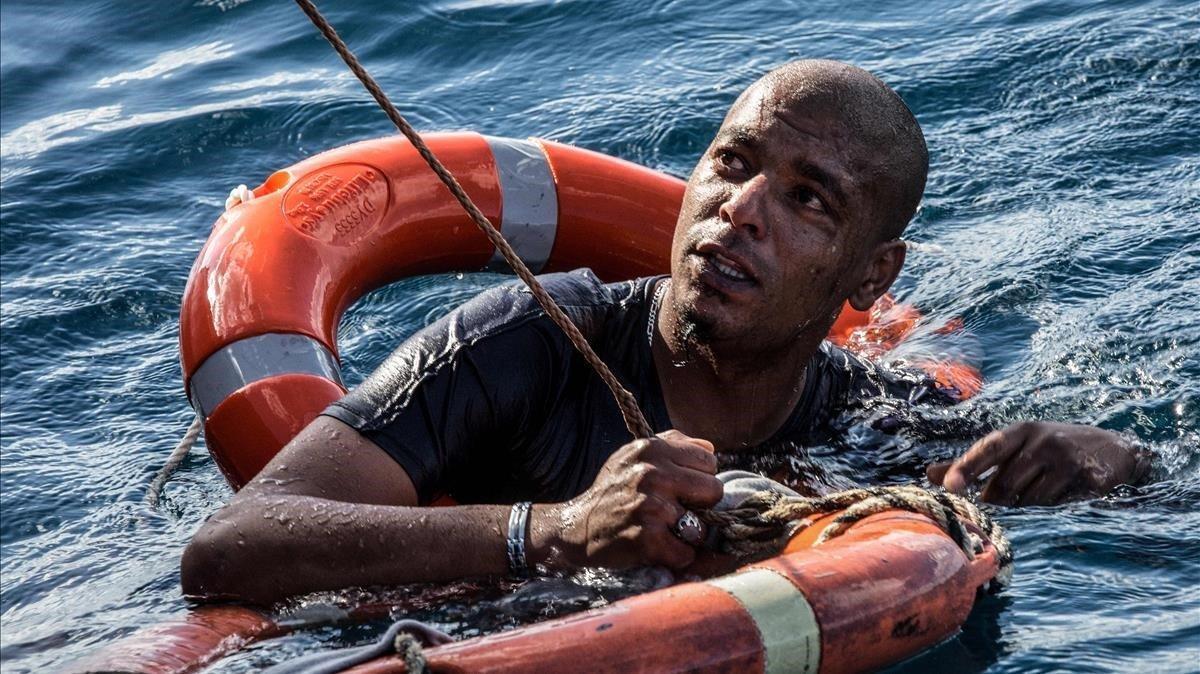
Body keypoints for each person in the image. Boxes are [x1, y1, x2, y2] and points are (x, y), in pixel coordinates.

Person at [181, 60, 1151, 605]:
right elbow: (232, 543)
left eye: (807, 199)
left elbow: (1132, 508)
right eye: (732, 163)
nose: (739, 210)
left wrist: (1117, 459)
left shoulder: (876, 423)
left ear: (871, 273)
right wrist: (553, 529)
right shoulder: (532, 338)